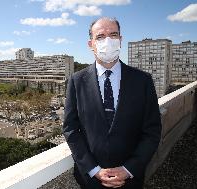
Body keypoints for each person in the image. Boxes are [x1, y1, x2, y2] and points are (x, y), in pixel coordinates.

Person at [63, 17, 162, 189]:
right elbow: (71, 129)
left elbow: (152, 131)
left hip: (131, 180)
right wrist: (93, 169)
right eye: (100, 37)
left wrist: (129, 168)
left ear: (121, 40)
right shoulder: (76, 81)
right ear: (90, 44)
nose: (108, 41)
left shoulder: (143, 80)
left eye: (113, 35)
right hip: (90, 180)